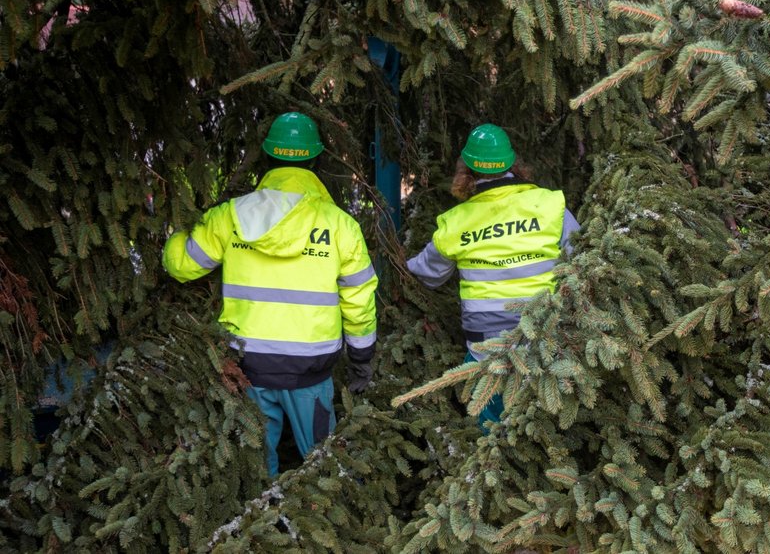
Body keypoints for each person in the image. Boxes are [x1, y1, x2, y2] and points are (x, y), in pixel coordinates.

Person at [162, 111, 377, 476]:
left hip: (249, 365)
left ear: (268, 156)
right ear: (315, 159)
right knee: (322, 465)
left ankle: (261, 525)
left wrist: (177, 224)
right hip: (311, 368)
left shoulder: (229, 216)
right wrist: (362, 358)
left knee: (258, 466)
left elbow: (181, 265)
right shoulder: (340, 225)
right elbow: (359, 299)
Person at [406, 123, 579, 428]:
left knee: (491, 425)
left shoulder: (456, 221)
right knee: (546, 421)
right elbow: (580, 259)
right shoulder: (550, 204)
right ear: (514, 164)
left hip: (486, 342)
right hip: (546, 329)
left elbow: (427, 274)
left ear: (466, 171)